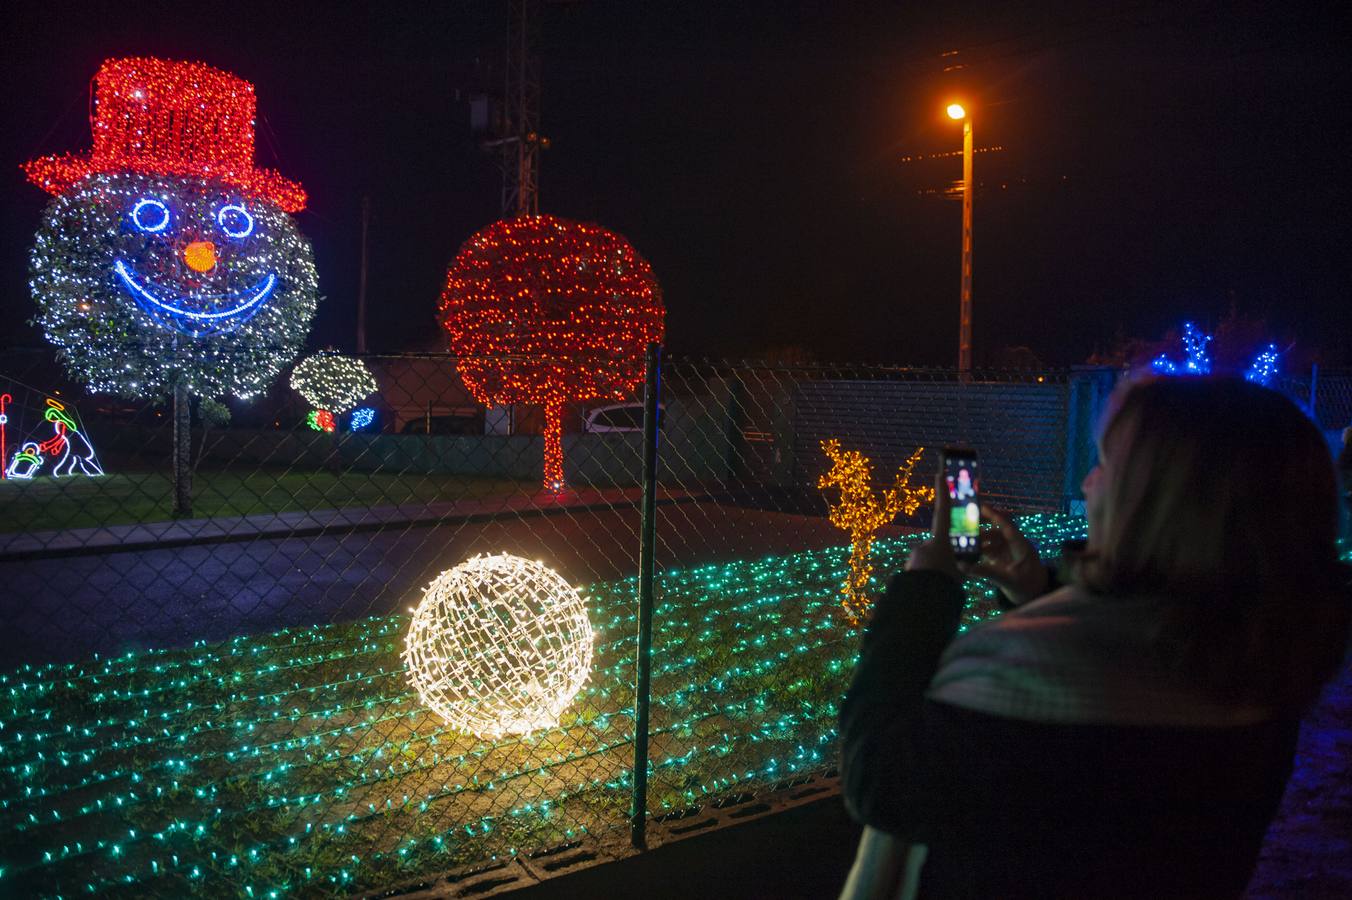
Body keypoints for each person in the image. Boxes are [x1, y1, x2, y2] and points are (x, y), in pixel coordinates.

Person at [838, 376, 1351, 899]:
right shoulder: (1265, 662)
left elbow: (880, 776)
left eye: (1105, 464)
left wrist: (925, 586)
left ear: (1158, 506)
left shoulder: (1017, 674)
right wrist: (1039, 592)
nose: (1086, 483)